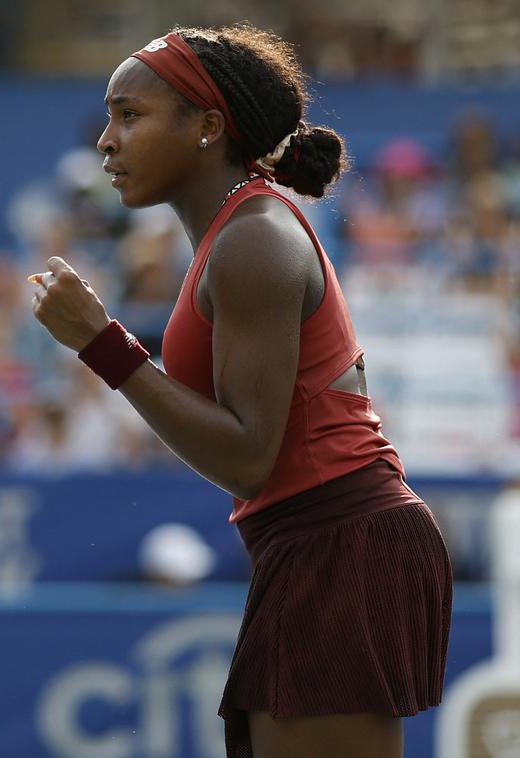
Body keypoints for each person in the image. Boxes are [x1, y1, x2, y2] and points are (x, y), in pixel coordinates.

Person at [28, 25, 451, 758]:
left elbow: (250, 455)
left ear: (208, 128)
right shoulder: (236, 234)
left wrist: (103, 344)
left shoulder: (253, 239)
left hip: (339, 539)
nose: (105, 141)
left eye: (130, 116)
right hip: (317, 540)